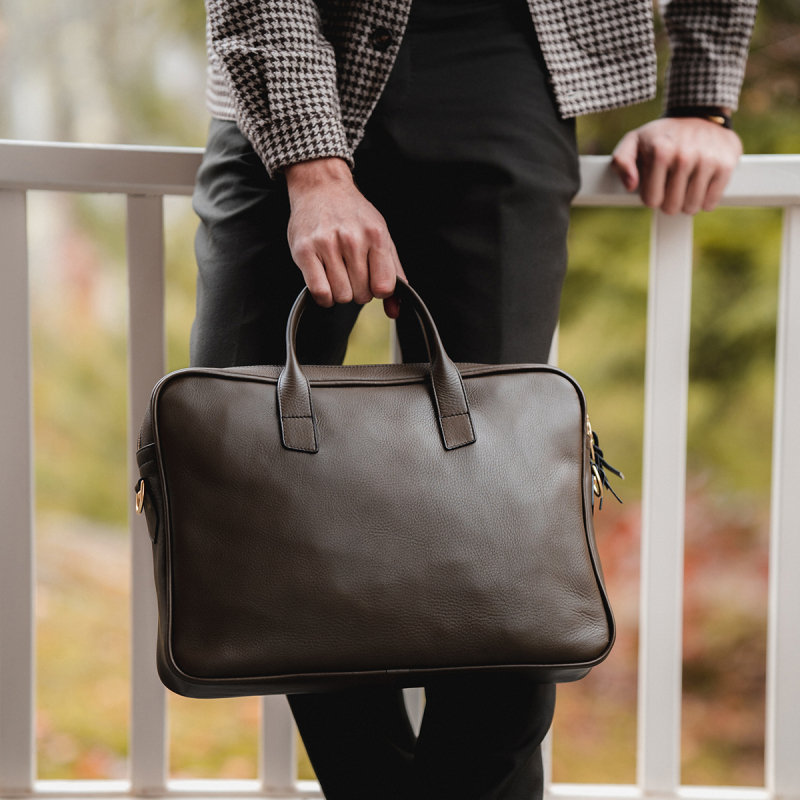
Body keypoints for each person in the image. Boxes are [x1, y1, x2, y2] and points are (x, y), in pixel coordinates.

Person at [190, 0, 757, 797]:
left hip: (505, 60)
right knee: (243, 471)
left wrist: (702, 100)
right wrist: (315, 171)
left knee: (502, 497)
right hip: (290, 62)